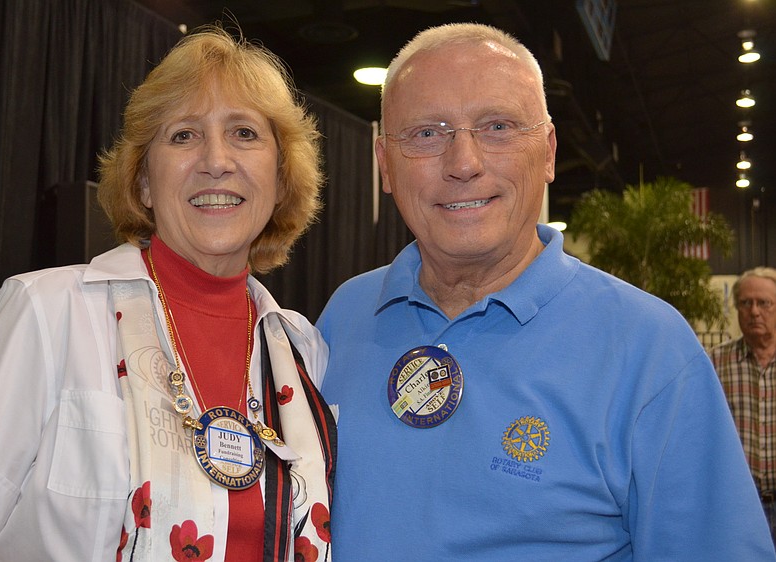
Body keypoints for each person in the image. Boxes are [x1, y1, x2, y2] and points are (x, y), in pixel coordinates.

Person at [316, 22, 775, 560]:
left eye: (498, 127)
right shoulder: (342, 318)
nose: (463, 163)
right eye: (426, 134)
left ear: (549, 151)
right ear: (385, 165)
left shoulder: (650, 349)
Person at [0, 26, 335, 562]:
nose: (216, 160)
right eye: (183, 135)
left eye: (244, 133)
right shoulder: (50, 313)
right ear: (143, 181)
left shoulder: (302, 351)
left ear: (281, 180)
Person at [710, 267, 776, 539]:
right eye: (746, 303)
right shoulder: (714, 363)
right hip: (739, 506)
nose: (754, 312)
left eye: (764, 303)